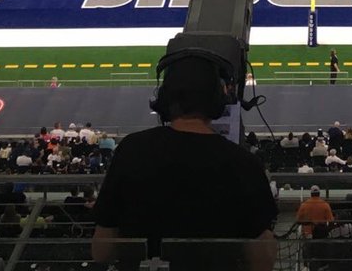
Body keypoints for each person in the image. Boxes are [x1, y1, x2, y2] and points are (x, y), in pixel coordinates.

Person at [91, 54, 276, 270]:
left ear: (164, 97)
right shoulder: (244, 163)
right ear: (218, 99)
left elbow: (101, 251)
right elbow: (263, 260)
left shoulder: (131, 150)